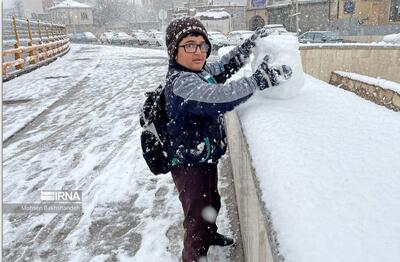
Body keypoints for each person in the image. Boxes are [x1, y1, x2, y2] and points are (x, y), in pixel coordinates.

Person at [164, 17, 292, 262]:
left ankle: (210, 235)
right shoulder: (181, 83)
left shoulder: (198, 72)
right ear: (174, 50)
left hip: (202, 156)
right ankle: (193, 256)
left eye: (203, 45)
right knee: (196, 221)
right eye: (189, 45)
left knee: (211, 201)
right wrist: (258, 80)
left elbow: (223, 67)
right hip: (188, 163)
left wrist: (247, 47)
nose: (199, 52)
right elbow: (220, 97)